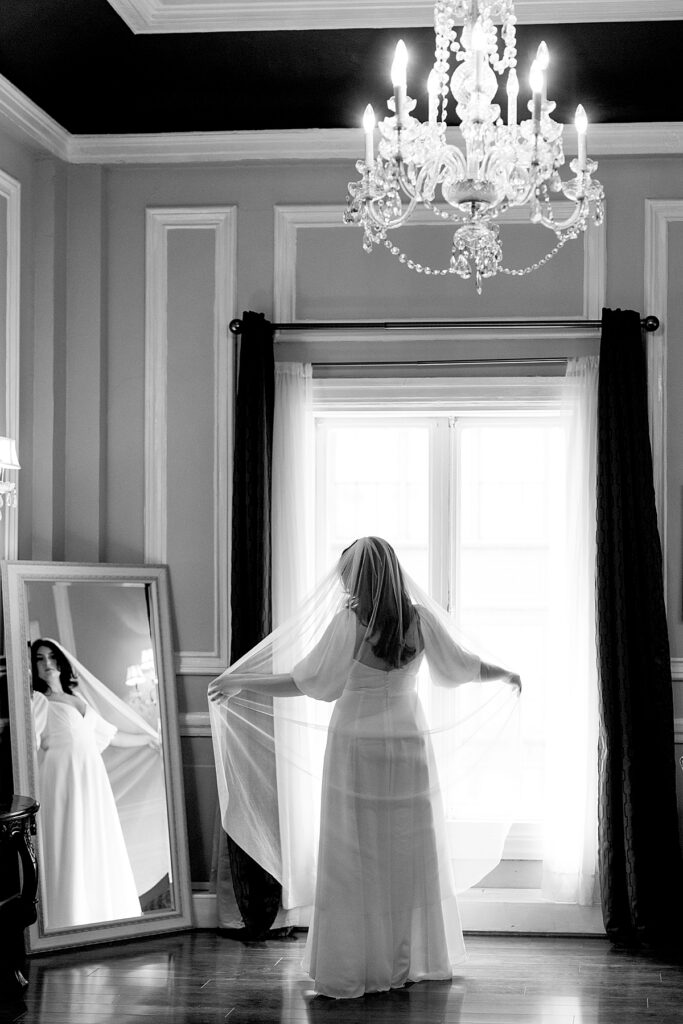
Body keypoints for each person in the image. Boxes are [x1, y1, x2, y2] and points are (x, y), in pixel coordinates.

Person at [209, 537, 521, 999]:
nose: (340, 582)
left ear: (359, 576)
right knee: (408, 853)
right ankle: (409, 959)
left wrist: (240, 681)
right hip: (408, 745)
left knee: (354, 855)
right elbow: (461, 667)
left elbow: (308, 682)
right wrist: (506, 674)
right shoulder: (419, 618)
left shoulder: (350, 622)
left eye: (346, 573)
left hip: (356, 745)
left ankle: (357, 962)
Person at [31, 638, 156, 929]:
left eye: (51, 657)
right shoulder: (39, 702)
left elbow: (112, 737)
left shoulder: (80, 701)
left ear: (61, 663)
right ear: (33, 666)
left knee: (93, 839)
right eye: (39, 658)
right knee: (70, 841)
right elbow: (29, 746)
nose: (47, 663)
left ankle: (99, 918)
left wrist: (151, 741)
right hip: (62, 780)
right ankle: (69, 919)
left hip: (91, 781)